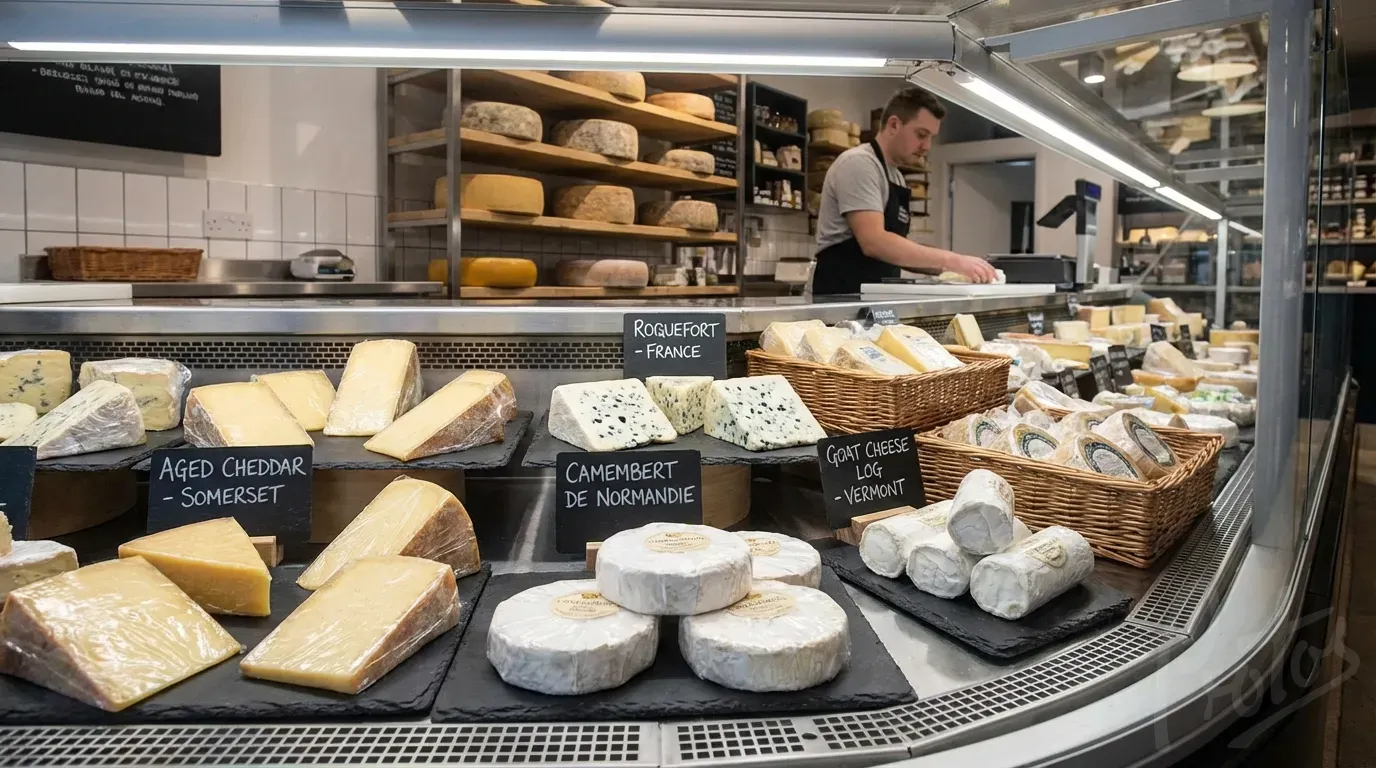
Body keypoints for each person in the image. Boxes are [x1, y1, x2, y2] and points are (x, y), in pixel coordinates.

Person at [812, 86, 997, 295]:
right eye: (921, 134)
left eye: (931, 138)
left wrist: (955, 272)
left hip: (874, 298)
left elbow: (896, 250)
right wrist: (952, 261)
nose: (927, 146)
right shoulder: (859, 164)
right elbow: (874, 242)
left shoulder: (895, 176)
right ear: (893, 125)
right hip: (842, 298)